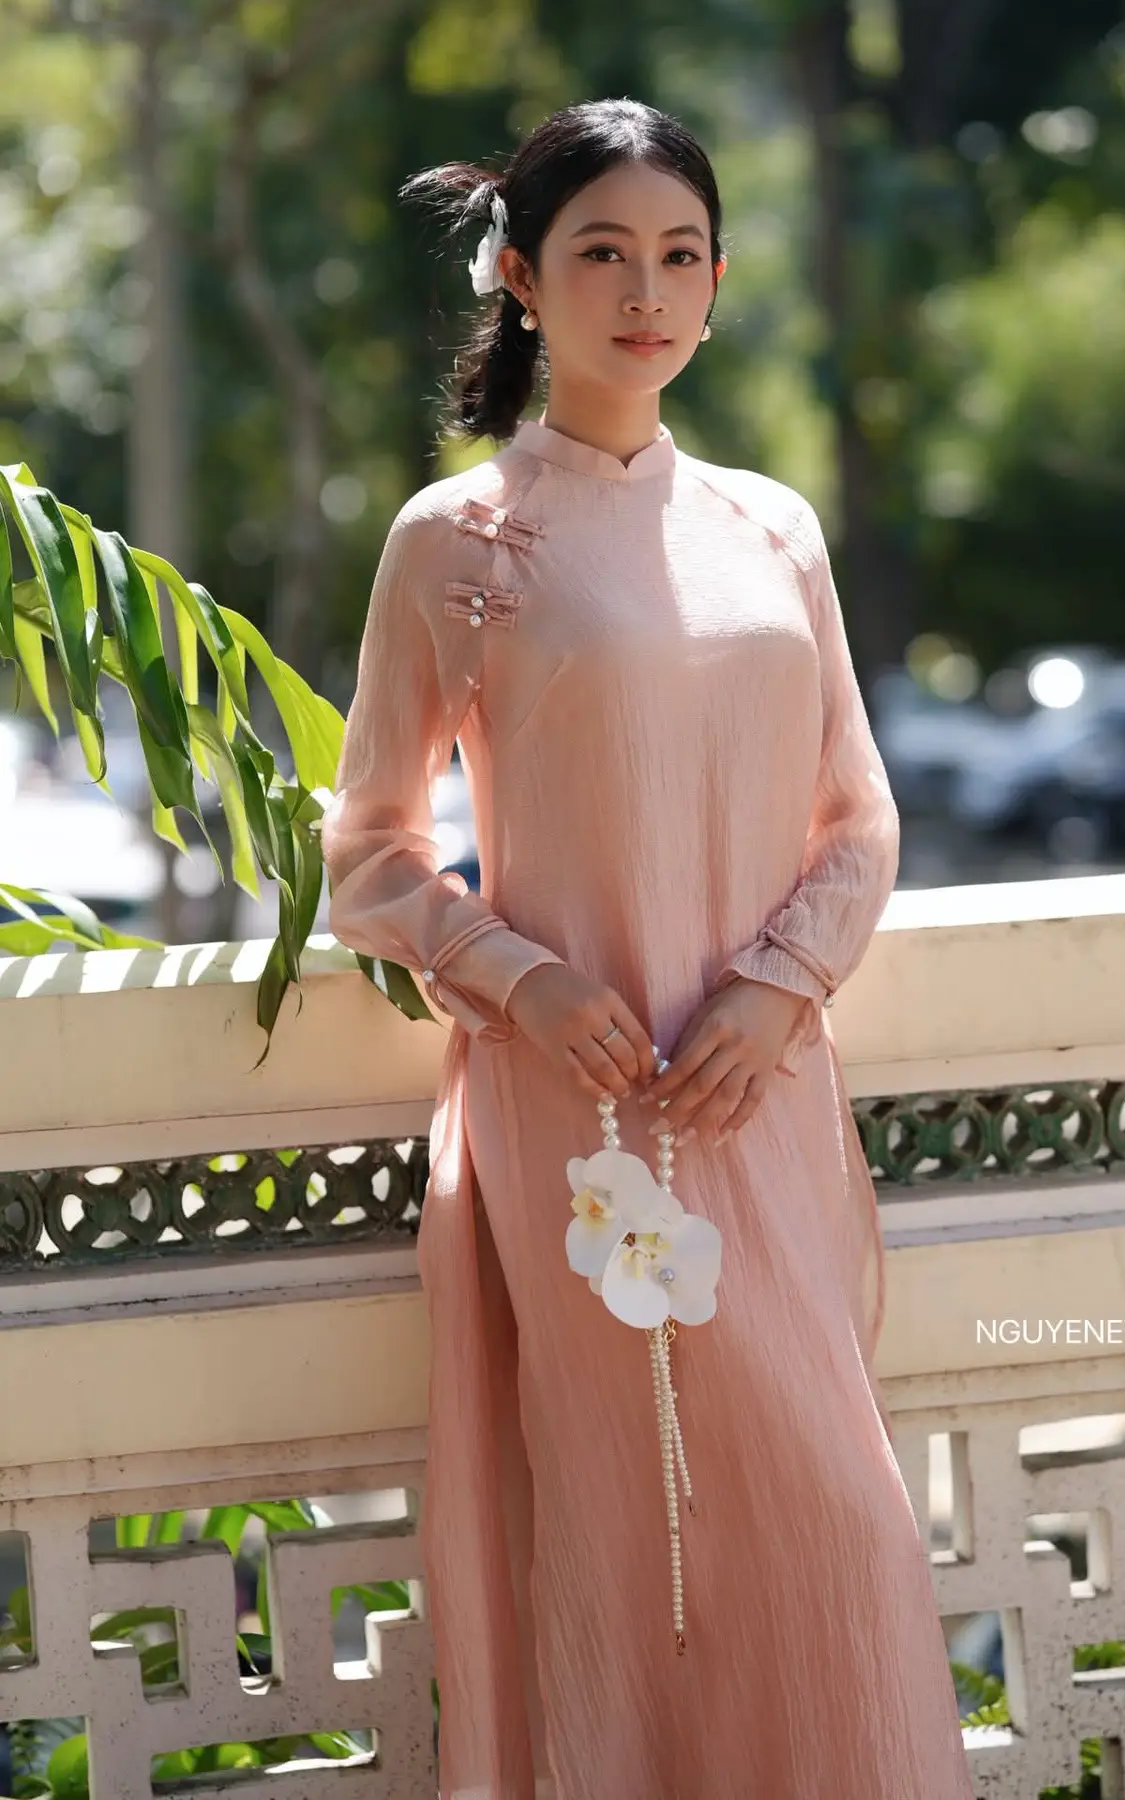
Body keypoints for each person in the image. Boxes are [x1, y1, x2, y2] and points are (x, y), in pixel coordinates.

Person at [320, 97, 973, 1800]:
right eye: (602, 252)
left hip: (761, 1092)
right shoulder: (456, 543)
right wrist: (520, 978)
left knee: (836, 1523)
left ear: (719, 283)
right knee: (633, 1539)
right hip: (579, 1117)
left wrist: (780, 984)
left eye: (681, 256)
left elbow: (861, 818)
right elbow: (369, 855)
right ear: (522, 277)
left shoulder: (775, 529)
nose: (645, 291)